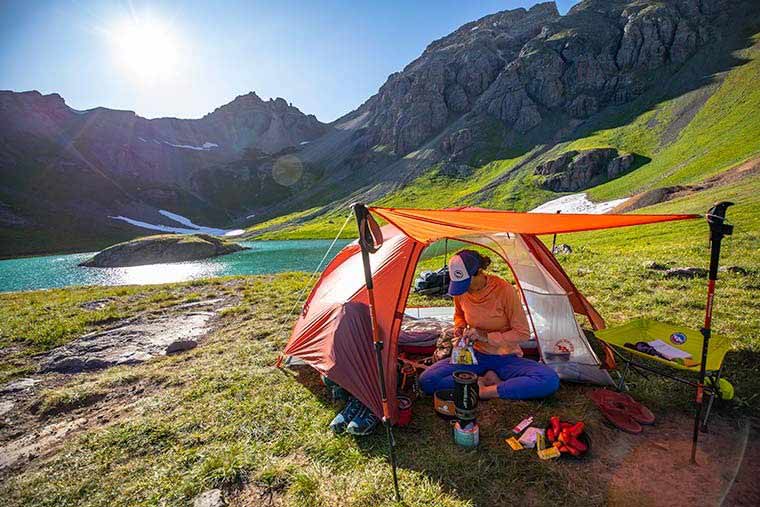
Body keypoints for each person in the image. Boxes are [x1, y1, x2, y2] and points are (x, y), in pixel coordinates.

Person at [418, 249, 560, 400]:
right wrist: (459, 329)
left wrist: (486, 336)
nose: (465, 288)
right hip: (474, 357)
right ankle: (485, 381)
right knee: (427, 380)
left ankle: (486, 391)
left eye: (467, 283)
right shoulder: (462, 291)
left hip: (505, 357)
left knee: (548, 380)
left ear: (479, 272)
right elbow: (459, 315)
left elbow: (522, 333)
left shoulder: (504, 290)